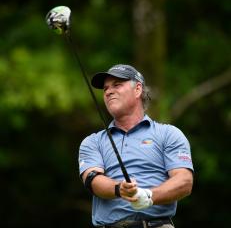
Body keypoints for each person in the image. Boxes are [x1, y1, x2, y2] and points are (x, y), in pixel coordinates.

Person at [78, 64, 194, 228]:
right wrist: (119, 189)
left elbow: (184, 181)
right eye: (105, 89)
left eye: (117, 85)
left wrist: (148, 195)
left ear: (138, 89)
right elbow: (93, 181)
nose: (108, 92)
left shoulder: (168, 134)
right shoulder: (92, 141)